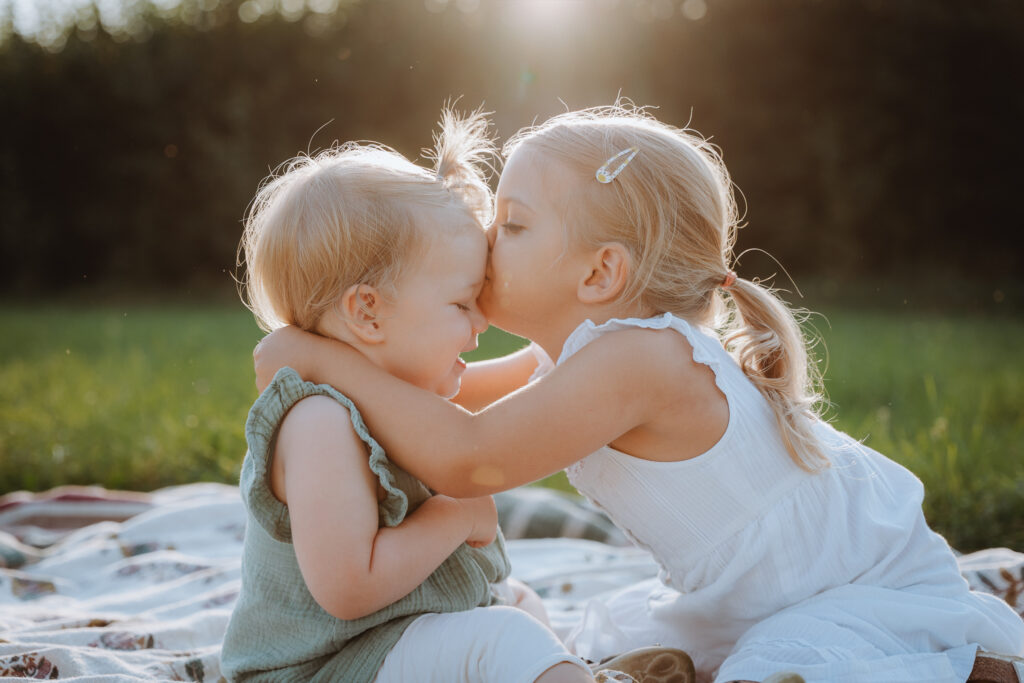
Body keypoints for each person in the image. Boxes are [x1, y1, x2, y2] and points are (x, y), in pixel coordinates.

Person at [251, 104, 1024, 683]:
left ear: (600, 275)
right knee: (625, 637)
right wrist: (344, 359)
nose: (486, 242)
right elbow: (439, 406)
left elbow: (468, 457)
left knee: (780, 666)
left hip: (849, 581)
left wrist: (314, 356)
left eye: (512, 224)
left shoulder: (637, 361)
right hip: (756, 586)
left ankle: (964, 662)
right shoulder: (585, 358)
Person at [220, 109, 624, 683]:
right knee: (503, 638)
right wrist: (453, 517)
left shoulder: (393, 393)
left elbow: (504, 391)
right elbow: (348, 587)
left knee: (518, 605)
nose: (481, 320)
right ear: (368, 313)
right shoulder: (318, 423)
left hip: (390, 643)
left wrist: (573, 348)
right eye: (461, 305)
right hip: (323, 668)